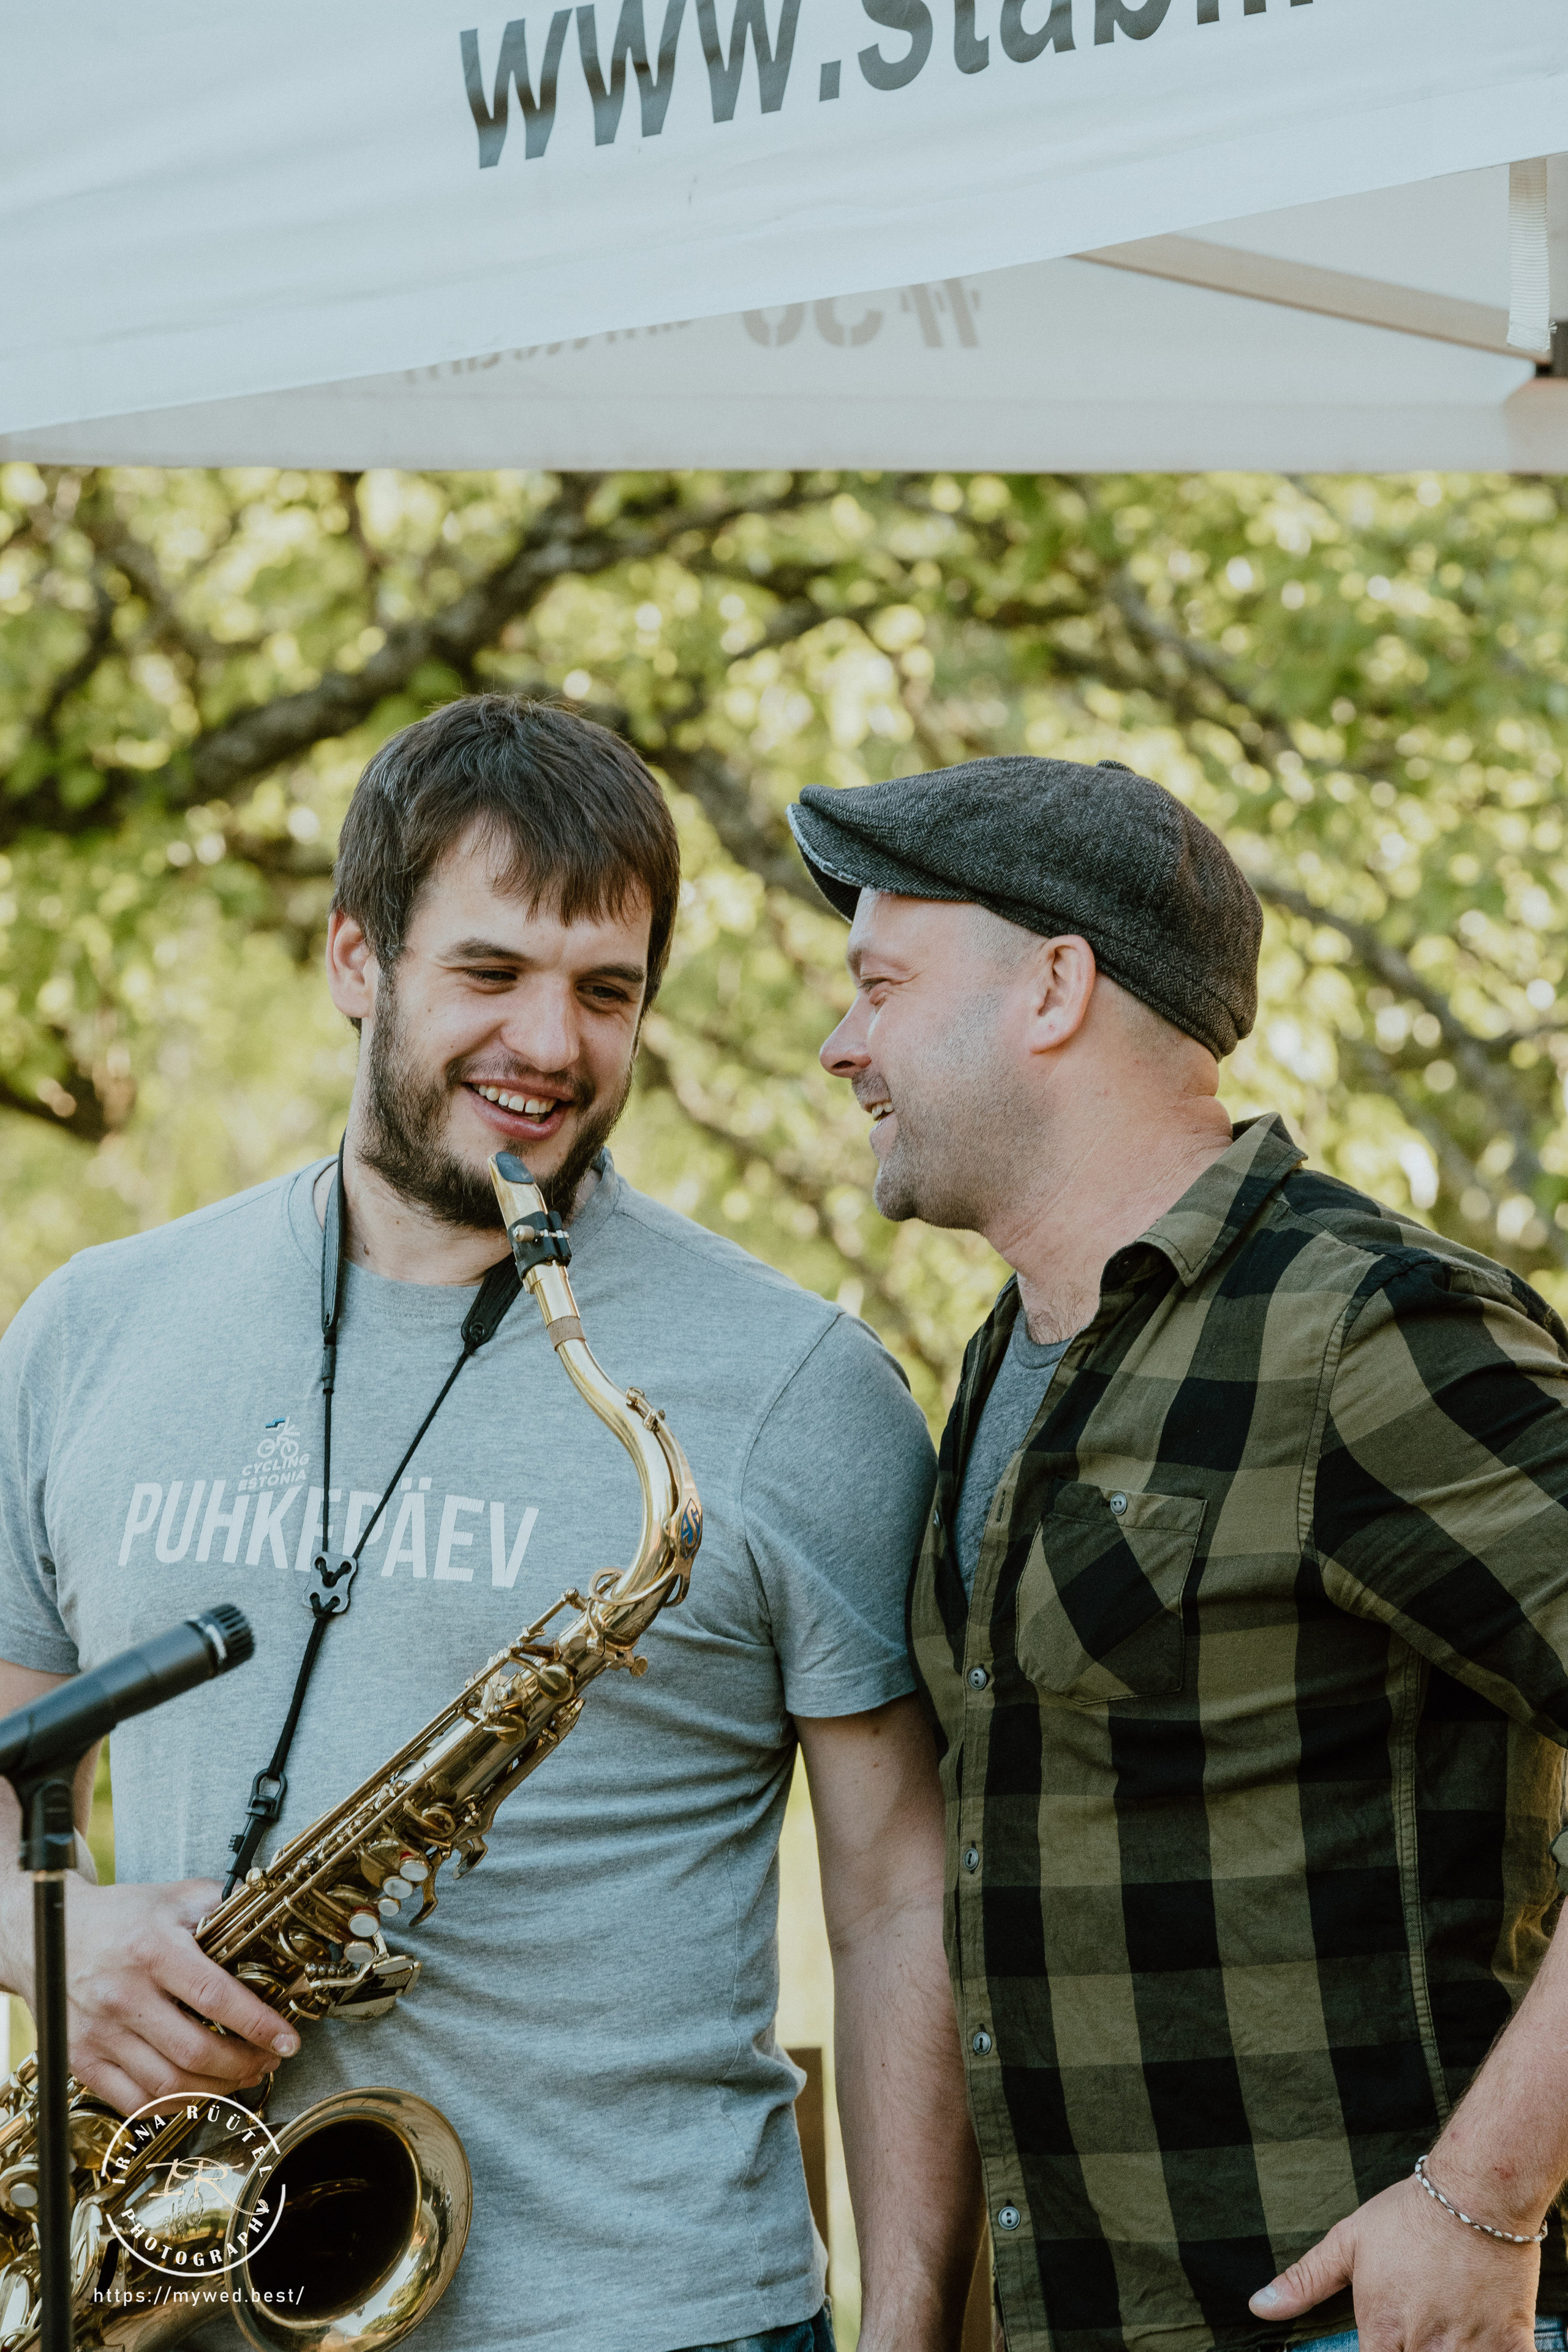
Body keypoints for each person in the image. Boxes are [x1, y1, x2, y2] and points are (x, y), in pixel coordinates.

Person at [0, 696, 984, 2352]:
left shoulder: (798, 1385)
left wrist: (902, 2333)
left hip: (658, 2314)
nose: (550, 1044)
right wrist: (59, 1945)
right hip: (167, 2298)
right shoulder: (93, 1325)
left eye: (606, 990)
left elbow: (897, 1899)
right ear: (355, 956)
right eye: (490, 971)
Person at [789, 752, 1568, 2352]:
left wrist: (1483, 2196)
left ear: (1054, 988)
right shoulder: (1009, 1361)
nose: (841, 1043)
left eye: (880, 985)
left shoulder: (1367, 1329)